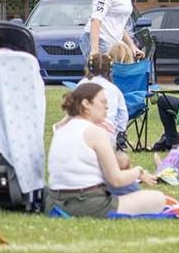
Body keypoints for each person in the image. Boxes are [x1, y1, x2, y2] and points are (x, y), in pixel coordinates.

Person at [46, 82, 167, 217]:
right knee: (158, 199)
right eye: (103, 102)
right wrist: (138, 171)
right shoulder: (96, 133)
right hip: (87, 203)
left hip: (54, 202)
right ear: (86, 104)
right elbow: (116, 179)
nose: (107, 106)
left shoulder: (62, 130)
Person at [79, 51, 129, 138]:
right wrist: (118, 130)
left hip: (83, 129)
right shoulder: (114, 89)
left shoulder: (82, 84)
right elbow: (123, 114)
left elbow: (72, 107)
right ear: (110, 70)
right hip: (107, 132)